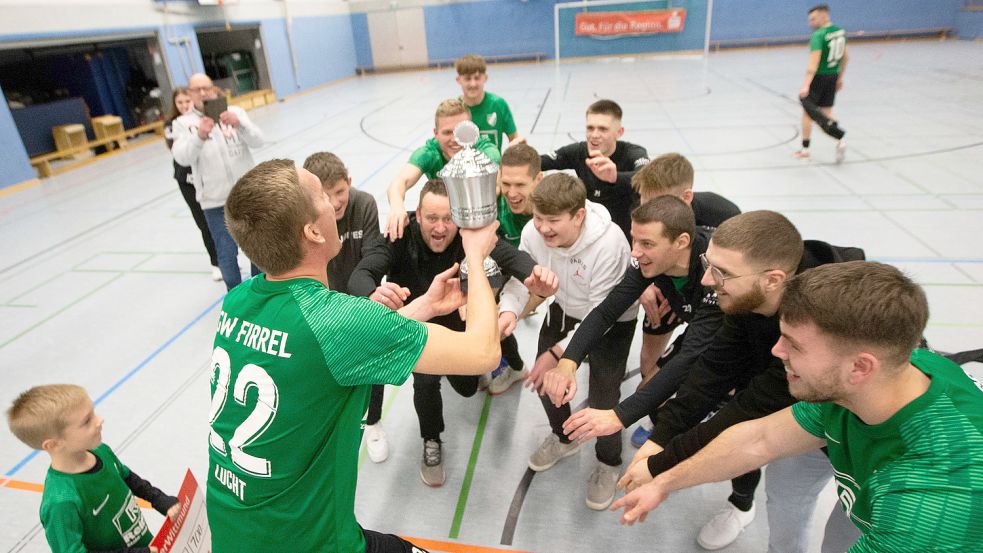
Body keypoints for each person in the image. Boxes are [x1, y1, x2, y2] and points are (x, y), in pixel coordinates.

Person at [210, 159, 501, 552]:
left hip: (235, 531)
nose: (333, 203)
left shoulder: (237, 302)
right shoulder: (336, 319)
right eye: (322, 196)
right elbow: (482, 352)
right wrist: (476, 256)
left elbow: (345, 348)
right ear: (312, 230)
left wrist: (427, 306)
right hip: (311, 543)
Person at [613, 261, 983, 553]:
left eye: (794, 345)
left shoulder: (928, 504)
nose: (777, 352)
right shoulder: (874, 382)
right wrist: (664, 482)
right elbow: (759, 439)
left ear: (860, 367)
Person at [610, 211, 865, 551]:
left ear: (773, 279)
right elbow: (715, 370)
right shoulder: (749, 298)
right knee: (786, 508)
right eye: (708, 264)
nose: (706, 281)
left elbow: (751, 415)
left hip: (866, 444)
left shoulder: (825, 326)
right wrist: (663, 439)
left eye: (722, 272)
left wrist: (663, 468)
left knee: (844, 539)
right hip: (809, 426)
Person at [349, 179, 555, 486]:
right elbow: (361, 274)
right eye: (432, 218)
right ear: (417, 214)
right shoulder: (399, 234)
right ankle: (431, 440)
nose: (441, 227)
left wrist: (537, 274)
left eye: (448, 219)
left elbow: (512, 256)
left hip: (460, 328)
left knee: (469, 387)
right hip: (418, 329)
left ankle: (494, 370)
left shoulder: (468, 235)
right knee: (426, 384)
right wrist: (372, 294)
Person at [499, 173, 637, 511]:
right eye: (538, 218)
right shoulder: (533, 232)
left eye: (553, 221)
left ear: (578, 216)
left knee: (604, 400)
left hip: (611, 321)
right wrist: (508, 312)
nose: (543, 228)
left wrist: (557, 354)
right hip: (563, 310)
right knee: (546, 384)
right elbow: (522, 281)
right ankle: (563, 438)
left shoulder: (610, 244)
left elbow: (600, 315)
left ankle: (608, 462)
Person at [557, 196, 722, 460]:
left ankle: (740, 498)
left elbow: (692, 355)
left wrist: (619, 415)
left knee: (695, 391)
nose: (635, 252)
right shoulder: (651, 262)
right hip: (693, 316)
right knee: (651, 379)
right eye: (634, 239)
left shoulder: (713, 274)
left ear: (681, 242)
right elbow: (608, 310)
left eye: (647, 243)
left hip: (739, 338)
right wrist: (569, 359)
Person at [625, 153, 742, 446]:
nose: (649, 210)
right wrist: (645, 284)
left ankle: (690, 413)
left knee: (700, 361)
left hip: (706, 298)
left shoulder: (724, 215)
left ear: (686, 197)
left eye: (658, 204)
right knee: (649, 366)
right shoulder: (643, 203)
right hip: (667, 291)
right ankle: (656, 415)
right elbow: (638, 249)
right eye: (644, 204)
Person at [6, 384, 180, 553]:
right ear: (54, 444)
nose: (99, 421)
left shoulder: (101, 451)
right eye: (87, 421)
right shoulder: (61, 502)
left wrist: (159, 499)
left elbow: (127, 477)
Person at [302, 152, 390, 464]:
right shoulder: (306, 215)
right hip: (325, 303)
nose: (336, 202)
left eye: (340, 191)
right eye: (326, 196)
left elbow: (372, 257)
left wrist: (364, 292)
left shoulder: (364, 204)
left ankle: (373, 422)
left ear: (349, 183)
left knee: (374, 364)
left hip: (361, 298)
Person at [171, 73, 264, 290]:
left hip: (246, 196)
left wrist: (240, 125)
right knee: (226, 252)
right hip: (214, 201)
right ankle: (235, 298)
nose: (203, 94)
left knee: (257, 247)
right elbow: (182, 157)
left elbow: (258, 140)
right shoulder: (183, 124)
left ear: (215, 89)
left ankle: (260, 293)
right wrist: (199, 136)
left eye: (206, 88)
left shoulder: (236, 112)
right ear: (190, 94)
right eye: (197, 90)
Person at [385, 98, 502, 240]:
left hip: (485, 223)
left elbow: (494, 188)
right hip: (449, 222)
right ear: (436, 133)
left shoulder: (486, 150)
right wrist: (397, 207)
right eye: (447, 132)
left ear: (471, 129)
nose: (455, 139)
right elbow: (400, 181)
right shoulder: (430, 153)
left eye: (460, 132)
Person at [539, 99, 649, 240]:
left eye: (603, 129)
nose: (594, 135)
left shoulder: (633, 152)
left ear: (619, 132)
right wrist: (520, 154)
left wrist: (615, 177)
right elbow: (539, 162)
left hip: (626, 235)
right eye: (590, 128)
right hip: (590, 236)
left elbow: (647, 177)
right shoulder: (579, 151)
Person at [485, 143, 545, 395]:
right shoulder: (493, 203)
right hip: (508, 270)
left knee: (504, 320)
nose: (511, 192)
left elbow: (542, 289)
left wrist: (515, 314)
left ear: (538, 180)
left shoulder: (550, 213)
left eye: (520, 185)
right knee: (491, 314)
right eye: (506, 183)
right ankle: (514, 366)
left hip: (545, 279)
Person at [163, 86, 221, 282]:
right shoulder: (172, 124)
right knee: (203, 222)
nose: (184, 106)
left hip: (207, 176)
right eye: (179, 103)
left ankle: (225, 256)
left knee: (220, 220)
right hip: (187, 180)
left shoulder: (203, 119)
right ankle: (215, 263)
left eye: (187, 101)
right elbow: (177, 151)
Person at [794, 4, 848, 162]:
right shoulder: (840, 32)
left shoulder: (818, 36)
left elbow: (813, 64)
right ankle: (841, 141)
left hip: (819, 78)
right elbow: (845, 58)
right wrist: (840, 78)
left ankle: (805, 149)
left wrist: (805, 85)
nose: (811, 22)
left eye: (814, 18)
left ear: (825, 15)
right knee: (826, 112)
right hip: (833, 75)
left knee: (807, 111)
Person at [454, 54, 522, 151]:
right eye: (467, 79)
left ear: (485, 78)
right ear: (458, 80)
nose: (473, 84)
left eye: (477, 78)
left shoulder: (498, 105)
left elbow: (514, 140)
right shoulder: (454, 110)